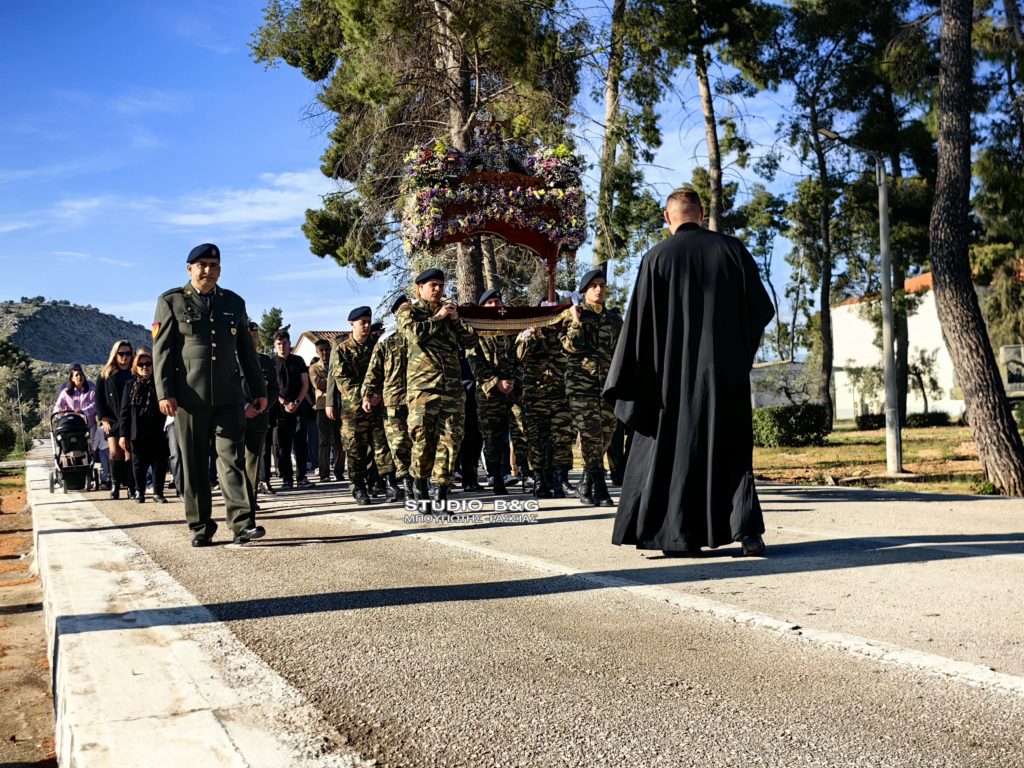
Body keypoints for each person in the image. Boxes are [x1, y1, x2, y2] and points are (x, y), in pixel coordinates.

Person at [604, 188, 775, 557]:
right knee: (732, 452)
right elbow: (760, 311)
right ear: (702, 213)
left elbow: (639, 329)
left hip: (670, 383)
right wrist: (738, 355)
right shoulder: (732, 250)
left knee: (675, 453)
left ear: (668, 219)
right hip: (724, 376)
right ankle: (747, 533)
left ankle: (680, 536)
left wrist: (641, 379)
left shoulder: (655, 258)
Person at [152, 243, 268, 546]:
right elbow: (161, 352)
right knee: (194, 466)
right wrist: (165, 392)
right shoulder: (171, 302)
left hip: (229, 398)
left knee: (232, 460)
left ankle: (242, 523)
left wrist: (258, 391)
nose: (208, 271)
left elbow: (246, 351)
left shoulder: (233, 302)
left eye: (213, 265)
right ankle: (201, 527)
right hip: (188, 400)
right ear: (189, 268)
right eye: (201, 265)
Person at [396, 268, 478, 505]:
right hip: (423, 389)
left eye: (441, 285)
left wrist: (456, 321)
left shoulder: (451, 314)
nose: (438, 290)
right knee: (423, 442)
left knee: (451, 441)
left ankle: (440, 492)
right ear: (419, 288)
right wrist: (438, 318)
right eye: (432, 285)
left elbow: (472, 341)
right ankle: (420, 488)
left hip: (451, 389)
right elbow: (413, 335)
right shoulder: (408, 311)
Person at [327, 306, 400, 504]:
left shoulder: (377, 346)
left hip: (376, 406)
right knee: (355, 450)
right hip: (353, 410)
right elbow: (343, 381)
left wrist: (376, 396)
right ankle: (358, 488)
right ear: (352, 324)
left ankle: (390, 484)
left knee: (382, 446)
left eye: (368, 322)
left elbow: (386, 373)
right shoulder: (342, 350)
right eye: (362, 323)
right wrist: (366, 397)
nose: (366, 326)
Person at [563, 270, 622, 507]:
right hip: (582, 385)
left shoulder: (614, 320)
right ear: (584, 291)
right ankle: (599, 486)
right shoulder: (572, 316)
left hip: (608, 386)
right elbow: (570, 347)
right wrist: (576, 322)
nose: (599, 290)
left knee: (606, 434)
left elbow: (623, 352)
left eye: (602, 285)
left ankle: (585, 483)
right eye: (594, 286)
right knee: (590, 436)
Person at [467, 288, 526, 495]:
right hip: (488, 394)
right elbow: (475, 362)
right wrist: (495, 382)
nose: (495, 306)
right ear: (483, 308)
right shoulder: (475, 331)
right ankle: (497, 476)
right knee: (492, 436)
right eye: (490, 303)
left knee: (521, 431)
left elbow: (519, 359)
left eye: (497, 302)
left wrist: (513, 382)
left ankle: (524, 472)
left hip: (512, 392)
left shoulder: (510, 329)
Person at [362, 295, 414, 497]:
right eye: (402, 310)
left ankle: (422, 483)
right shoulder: (386, 341)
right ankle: (408, 484)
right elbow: (373, 371)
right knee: (399, 444)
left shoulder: (422, 335)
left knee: (421, 444)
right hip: (394, 401)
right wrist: (367, 395)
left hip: (420, 399)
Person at [118, 347, 169, 504]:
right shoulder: (130, 385)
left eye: (148, 364)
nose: (145, 367)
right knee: (138, 464)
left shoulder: (159, 384)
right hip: (137, 430)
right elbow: (124, 411)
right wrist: (122, 435)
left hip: (157, 428)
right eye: (141, 365)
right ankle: (140, 492)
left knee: (159, 462)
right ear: (135, 366)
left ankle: (158, 492)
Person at [243, 321, 279, 511]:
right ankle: (237, 501)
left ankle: (250, 499)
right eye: (249, 336)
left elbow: (274, 388)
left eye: (256, 336)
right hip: (235, 418)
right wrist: (244, 406)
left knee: (253, 463)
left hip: (259, 417)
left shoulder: (265, 361)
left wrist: (262, 406)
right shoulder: (229, 359)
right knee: (234, 463)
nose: (253, 339)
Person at [272, 330, 312, 490]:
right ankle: (287, 479)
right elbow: (271, 388)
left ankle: (302, 477)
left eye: (285, 343)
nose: (282, 346)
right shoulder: (272, 362)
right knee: (283, 446)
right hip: (281, 410)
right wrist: (284, 403)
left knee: (301, 444)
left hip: (299, 408)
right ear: (275, 346)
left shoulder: (298, 360)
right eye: (279, 344)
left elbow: (305, 384)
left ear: (290, 344)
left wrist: (296, 402)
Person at [96, 339, 136, 500]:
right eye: (121, 353)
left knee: (129, 452)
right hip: (113, 418)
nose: (125, 357)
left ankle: (131, 487)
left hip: (132, 419)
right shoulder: (106, 374)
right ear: (115, 354)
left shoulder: (135, 371)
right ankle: (115, 485)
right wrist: (103, 418)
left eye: (127, 353)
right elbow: (99, 397)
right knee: (114, 453)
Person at [309, 338, 344, 483]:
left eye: (327, 349)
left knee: (339, 441)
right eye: (322, 350)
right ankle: (324, 472)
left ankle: (339, 470)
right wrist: (334, 378)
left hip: (339, 406)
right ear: (317, 351)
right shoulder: (314, 368)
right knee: (324, 441)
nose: (325, 353)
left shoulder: (337, 364)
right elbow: (318, 384)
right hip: (322, 406)